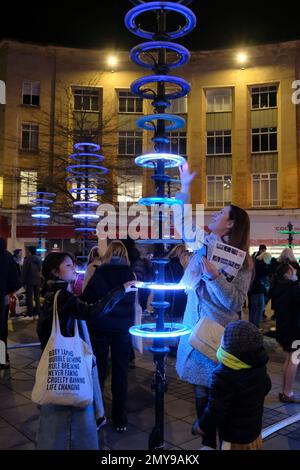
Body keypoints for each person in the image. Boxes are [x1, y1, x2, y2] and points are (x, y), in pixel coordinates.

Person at [174, 162, 253, 435]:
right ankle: (207, 442)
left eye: (221, 213)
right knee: (199, 393)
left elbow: (234, 302)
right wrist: (184, 187)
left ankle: (217, 439)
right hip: (193, 332)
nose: (215, 214)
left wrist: (215, 276)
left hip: (216, 335)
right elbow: (182, 223)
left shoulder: (244, 263)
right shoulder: (203, 243)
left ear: (231, 224)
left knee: (218, 398)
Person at [36, 251, 136, 449]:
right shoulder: (62, 296)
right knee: (70, 408)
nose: (74, 268)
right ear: (56, 273)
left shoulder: (51, 294)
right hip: (67, 360)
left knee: (56, 412)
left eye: (73, 264)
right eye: (68, 266)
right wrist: (120, 291)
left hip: (55, 357)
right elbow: (93, 311)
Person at [81, 241, 137, 432]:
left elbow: (87, 297)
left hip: (101, 327)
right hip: (123, 330)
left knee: (99, 371)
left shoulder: (101, 272)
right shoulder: (130, 274)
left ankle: (98, 413)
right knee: (121, 373)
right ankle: (120, 417)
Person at [198, 321, 271, 450]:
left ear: (229, 348)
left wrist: (202, 425)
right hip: (254, 432)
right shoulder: (258, 365)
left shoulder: (224, 375)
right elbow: (267, 386)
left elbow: (216, 409)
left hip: (234, 438)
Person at [269, 263, 300, 403]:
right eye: (293, 271)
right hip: (295, 331)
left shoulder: (278, 288)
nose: (296, 273)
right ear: (287, 273)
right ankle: (288, 393)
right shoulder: (293, 289)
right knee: (294, 360)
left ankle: (284, 391)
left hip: (284, 329)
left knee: (289, 359)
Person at [0, 238, 21, 369]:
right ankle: (2, 359)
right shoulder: (7, 256)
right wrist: (7, 293)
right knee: (1, 330)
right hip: (1, 299)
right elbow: (15, 279)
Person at [248, 252, 272, 327]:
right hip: (258, 289)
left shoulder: (255, 262)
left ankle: (251, 325)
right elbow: (265, 275)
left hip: (253, 289)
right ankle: (255, 326)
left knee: (254, 308)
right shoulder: (261, 265)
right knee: (259, 307)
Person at [21, 246, 42, 319]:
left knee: (29, 298)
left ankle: (30, 314)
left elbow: (24, 272)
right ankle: (37, 313)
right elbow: (40, 269)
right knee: (37, 297)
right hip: (37, 280)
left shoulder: (27, 259)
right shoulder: (39, 259)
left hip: (29, 281)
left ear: (29, 251)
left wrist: (22, 282)